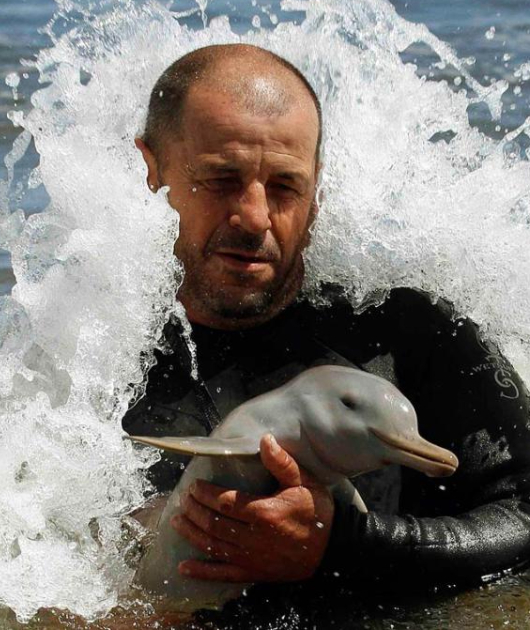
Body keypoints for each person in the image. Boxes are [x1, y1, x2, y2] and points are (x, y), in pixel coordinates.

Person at [123, 43, 530, 589]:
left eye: (286, 186)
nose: (254, 217)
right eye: (221, 179)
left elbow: (523, 510)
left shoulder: (405, 328)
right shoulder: (95, 367)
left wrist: (347, 546)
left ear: (317, 191)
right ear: (151, 171)